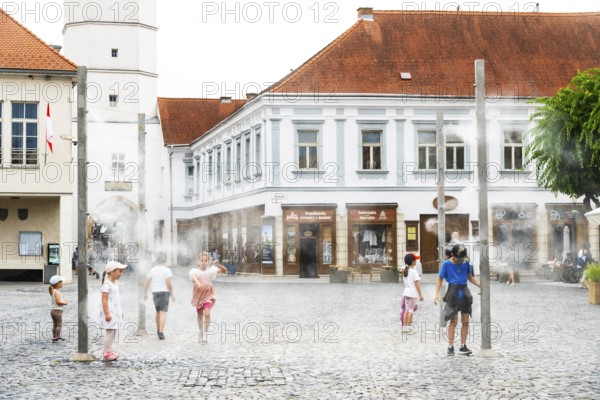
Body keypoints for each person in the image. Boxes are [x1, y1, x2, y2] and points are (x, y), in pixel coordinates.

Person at [434, 244, 481, 356]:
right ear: (453, 256)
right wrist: (436, 294)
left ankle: (463, 346)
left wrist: (481, 285)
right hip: (452, 292)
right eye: (459, 258)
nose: (461, 260)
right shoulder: (446, 264)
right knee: (453, 321)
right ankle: (450, 346)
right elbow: (440, 279)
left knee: (465, 321)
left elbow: (470, 277)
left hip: (464, 292)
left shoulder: (465, 262)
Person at [190, 251, 227, 343]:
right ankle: (201, 331)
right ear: (198, 262)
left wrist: (219, 265)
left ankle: (205, 333)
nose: (203, 262)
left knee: (207, 313)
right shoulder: (195, 271)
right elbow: (193, 276)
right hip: (198, 295)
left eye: (205, 260)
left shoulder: (211, 271)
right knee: (199, 314)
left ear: (208, 262)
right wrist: (198, 283)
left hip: (208, 295)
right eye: (201, 260)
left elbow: (224, 270)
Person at [99, 261, 128, 361]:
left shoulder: (114, 283)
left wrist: (120, 312)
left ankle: (109, 350)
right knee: (110, 332)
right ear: (112, 272)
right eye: (120, 271)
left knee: (113, 331)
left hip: (115, 312)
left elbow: (116, 300)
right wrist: (107, 313)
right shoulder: (107, 284)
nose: (121, 273)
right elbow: (104, 299)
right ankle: (106, 352)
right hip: (109, 313)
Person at [143, 252, 175, 340]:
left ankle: (158, 330)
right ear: (165, 259)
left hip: (155, 293)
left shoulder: (152, 270)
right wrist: (172, 294)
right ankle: (161, 332)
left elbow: (147, 282)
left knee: (157, 312)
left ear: (156, 259)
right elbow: (169, 284)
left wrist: (145, 293)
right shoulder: (167, 270)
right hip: (165, 293)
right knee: (163, 313)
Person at [400, 253, 424, 334]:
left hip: (406, 292)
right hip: (412, 293)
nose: (416, 261)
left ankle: (404, 328)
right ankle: (409, 328)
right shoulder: (414, 272)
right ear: (413, 261)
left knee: (406, 310)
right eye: (415, 260)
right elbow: (417, 284)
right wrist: (420, 295)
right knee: (411, 311)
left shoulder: (405, 271)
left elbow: (403, 267)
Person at [48, 275, 68, 342]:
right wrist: (65, 303)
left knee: (55, 324)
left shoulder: (53, 291)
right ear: (58, 284)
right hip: (57, 310)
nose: (62, 284)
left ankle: (54, 336)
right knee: (59, 324)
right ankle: (57, 336)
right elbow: (58, 302)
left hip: (52, 310)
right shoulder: (57, 292)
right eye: (61, 282)